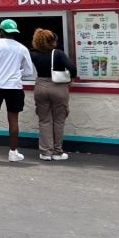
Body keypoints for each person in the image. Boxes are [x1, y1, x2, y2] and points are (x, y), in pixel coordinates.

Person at [0, 19, 35, 162]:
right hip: (13, 87)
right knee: (13, 119)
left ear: (1, 31)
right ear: (15, 32)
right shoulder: (22, 48)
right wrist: (15, 74)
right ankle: (13, 153)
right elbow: (29, 71)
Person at [30, 28, 77, 161]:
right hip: (58, 87)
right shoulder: (58, 53)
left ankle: (46, 152)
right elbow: (72, 69)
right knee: (59, 120)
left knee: (44, 120)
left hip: (40, 86)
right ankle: (57, 152)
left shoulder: (32, 53)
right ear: (53, 41)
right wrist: (72, 78)